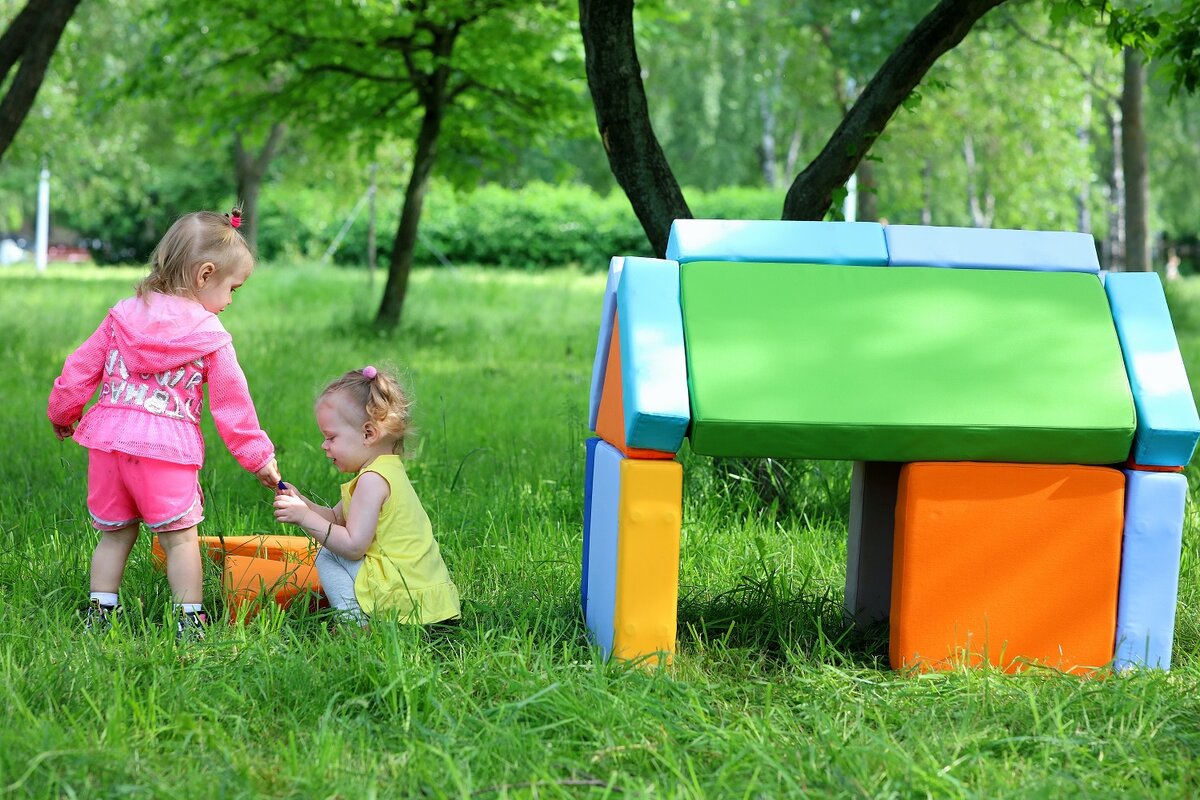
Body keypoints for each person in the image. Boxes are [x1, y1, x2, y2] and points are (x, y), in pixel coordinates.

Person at [48, 208, 280, 641]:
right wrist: (258, 457)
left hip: (109, 446)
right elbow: (233, 405)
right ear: (205, 274)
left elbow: (80, 367)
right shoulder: (210, 335)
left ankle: (101, 613)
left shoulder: (121, 316)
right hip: (165, 451)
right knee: (181, 540)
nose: (230, 300)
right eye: (232, 288)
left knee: (115, 536)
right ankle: (189, 620)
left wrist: (63, 411)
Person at [272, 366, 460, 628]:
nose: (324, 446)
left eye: (331, 437)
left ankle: (357, 626)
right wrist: (303, 503)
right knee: (332, 546)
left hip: (402, 599)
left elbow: (353, 546)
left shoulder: (371, 481)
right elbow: (337, 518)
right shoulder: (386, 470)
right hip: (424, 597)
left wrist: (304, 518)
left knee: (328, 555)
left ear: (368, 434)